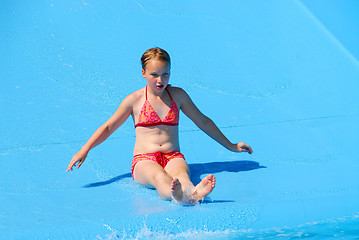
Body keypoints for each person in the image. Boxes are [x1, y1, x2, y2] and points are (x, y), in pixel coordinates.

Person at [67, 47, 253, 204]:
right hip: (144, 160)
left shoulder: (178, 95)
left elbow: (203, 121)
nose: (160, 80)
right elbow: (108, 127)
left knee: (182, 174)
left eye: (165, 74)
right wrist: (85, 149)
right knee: (159, 177)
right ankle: (178, 195)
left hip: (173, 155)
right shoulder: (135, 100)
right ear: (143, 73)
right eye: (154, 75)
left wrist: (232, 146)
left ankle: (192, 193)